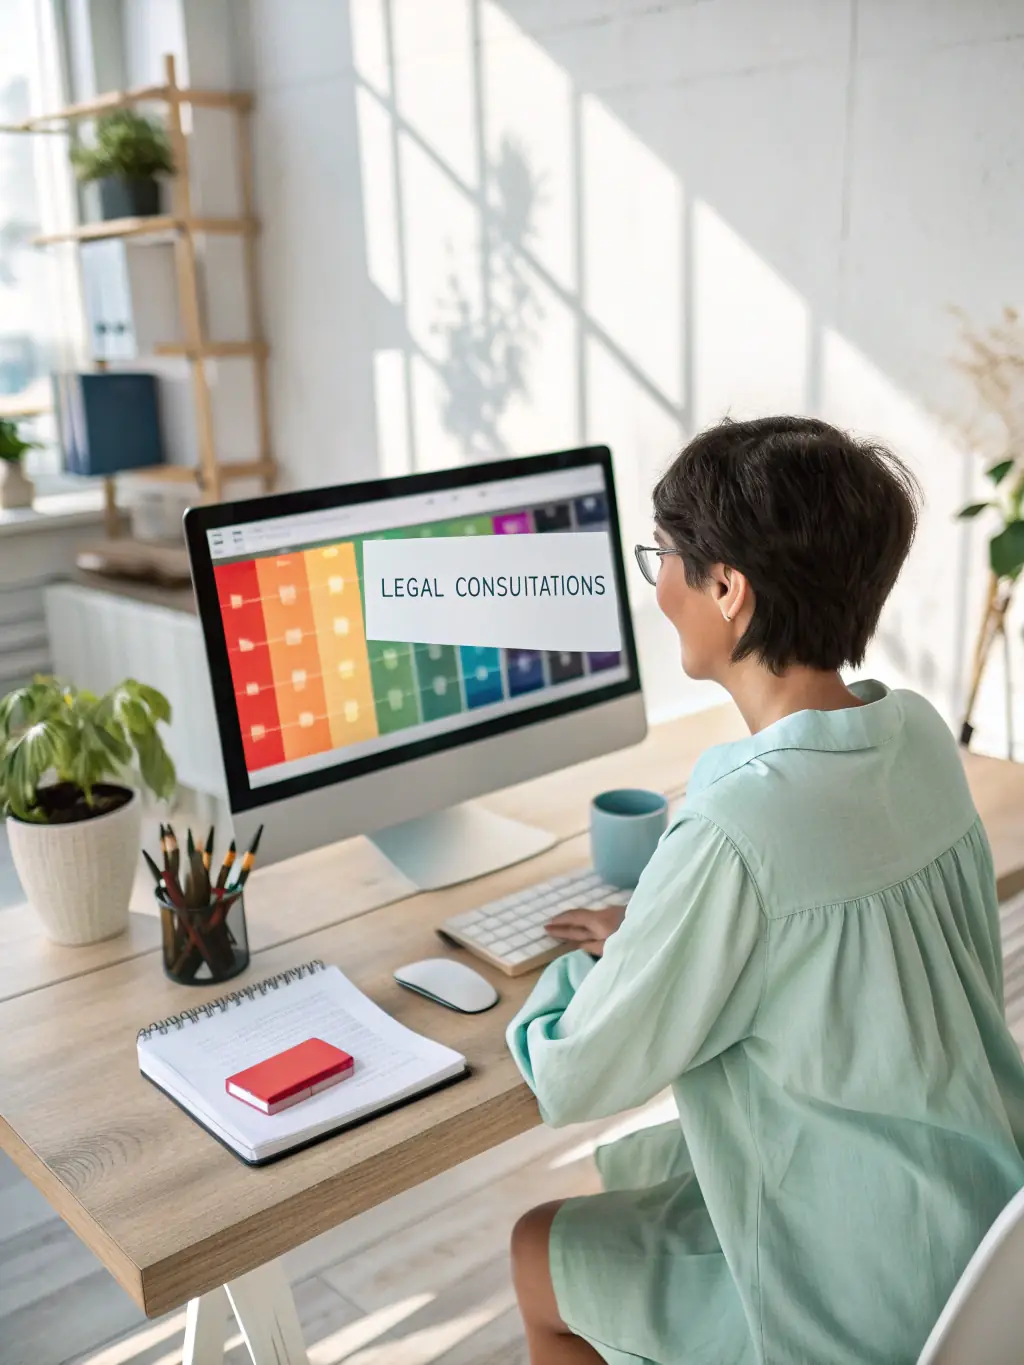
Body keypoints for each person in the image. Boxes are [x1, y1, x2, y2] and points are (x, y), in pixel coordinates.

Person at [506, 415, 1024, 1365]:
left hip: (849, 1296)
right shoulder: (918, 737)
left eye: (663, 556)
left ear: (727, 589)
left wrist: (611, 963)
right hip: (987, 1246)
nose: (658, 586)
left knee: (537, 1249)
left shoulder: (736, 829)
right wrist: (664, 923)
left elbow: (575, 1077)